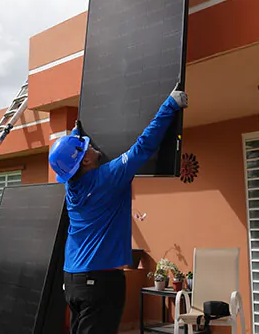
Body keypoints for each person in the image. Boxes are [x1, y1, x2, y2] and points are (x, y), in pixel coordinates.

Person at [48, 88, 189, 334]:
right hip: (99, 283)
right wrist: (170, 105)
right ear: (84, 161)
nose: (90, 146)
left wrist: (74, 135)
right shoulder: (108, 178)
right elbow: (143, 146)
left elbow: (71, 161)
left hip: (72, 280)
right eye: (85, 147)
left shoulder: (72, 185)